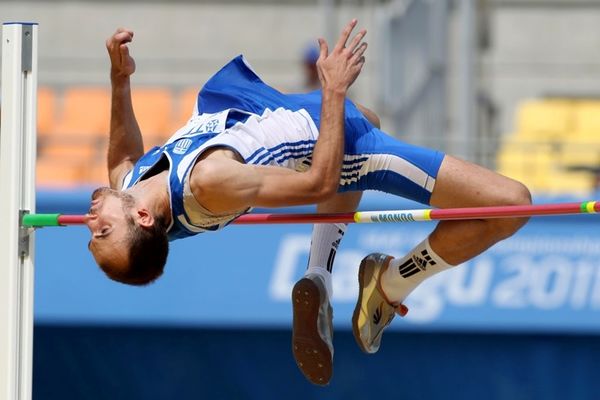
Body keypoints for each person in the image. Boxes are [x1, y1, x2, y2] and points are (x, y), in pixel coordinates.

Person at [86, 20, 531, 386]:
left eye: (92, 236)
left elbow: (123, 157)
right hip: (340, 150)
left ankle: (319, 273)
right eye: (102, 231)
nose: (90, 223)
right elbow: (321, 182)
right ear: (142, 218)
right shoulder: (208, 181)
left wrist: (119, 80)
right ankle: (393, 283)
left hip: (275, 112)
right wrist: (334, 90)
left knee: (368, 113)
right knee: (512, 204)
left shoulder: (131, 185)